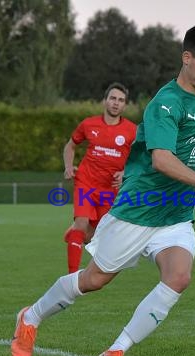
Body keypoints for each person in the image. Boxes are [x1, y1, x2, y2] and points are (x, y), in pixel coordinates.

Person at [11, 24, 195, 356]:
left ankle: (115, 351)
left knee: (178, 277)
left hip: (174, 216)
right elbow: (162, 159)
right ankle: (30, 317)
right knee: (94, 280)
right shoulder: (164, 103)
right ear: (187, 58)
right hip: (138, 210)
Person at [62, 83, 137, 273]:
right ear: (105, 101)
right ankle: (72, 277)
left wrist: (126, 173)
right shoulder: (89, 124)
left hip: (110, 189)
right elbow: (70, 146)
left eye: (121, 100)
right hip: (86, 182)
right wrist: (69, 167)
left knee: (94, 236)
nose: (116, 103)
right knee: (81, 223)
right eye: (113, 98)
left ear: (125, 106)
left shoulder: (132, 130)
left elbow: (141, 159)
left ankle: (74, 237)